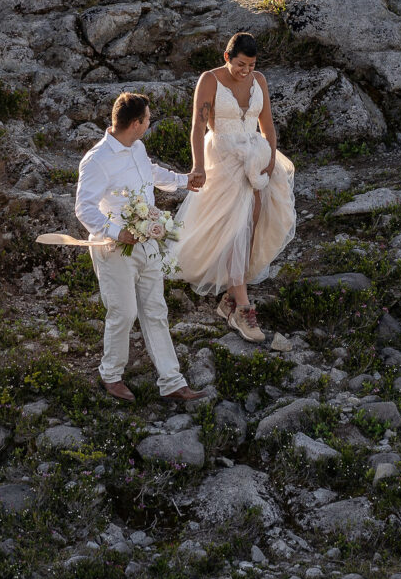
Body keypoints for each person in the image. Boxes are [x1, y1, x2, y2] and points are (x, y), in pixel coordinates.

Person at [164, 32, 295, 343]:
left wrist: (272, 158)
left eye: (251, 65)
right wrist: (197, 165)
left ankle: (230, 298)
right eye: (240, 64)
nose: (246, 71)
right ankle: (243, 309)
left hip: (256, 157)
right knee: (236, 226)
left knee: (252, 224)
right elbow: (198, 125)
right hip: (223, 159)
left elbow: (268, 124)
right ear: (227, 57)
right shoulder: (210, 80)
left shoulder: (259, 80)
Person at [75, 91, 205, 403]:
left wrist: (184, 180)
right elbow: (84, 208)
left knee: (156, 310)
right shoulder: (96, 161)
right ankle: (111, 375)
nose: (149, 124)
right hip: (113, 248)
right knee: (124, 312)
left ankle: (172, 381)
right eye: (147, 119)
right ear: (136, 123)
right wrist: (118, 232)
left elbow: (151, 171)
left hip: (147, 242)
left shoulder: (137, 147)